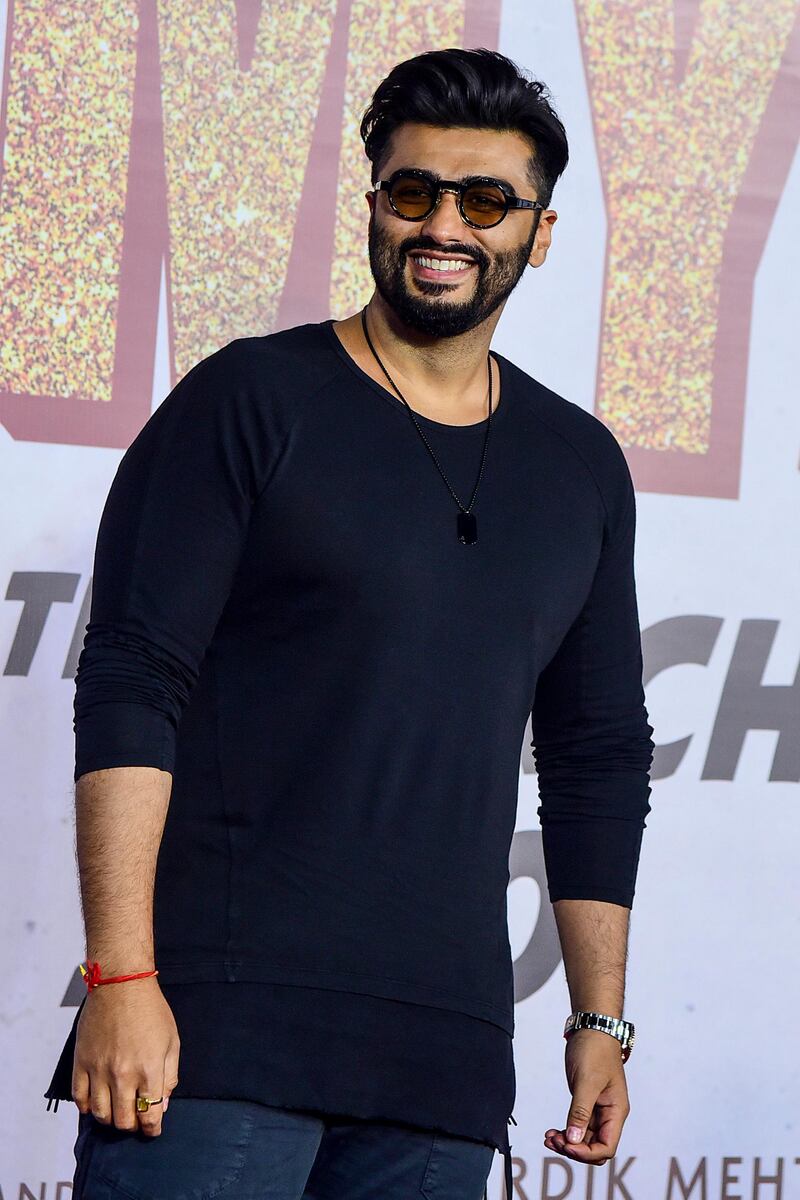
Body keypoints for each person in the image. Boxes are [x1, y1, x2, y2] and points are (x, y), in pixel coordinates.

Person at [44, 46, 654, 1200]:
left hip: (442, 1066)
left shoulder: (578, 467)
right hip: (214, 1042)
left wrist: (597, 1019)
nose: (444, 226)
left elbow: (595, 757)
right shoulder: (248, 402)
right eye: (412, 192)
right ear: (372, 204)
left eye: (485, 201)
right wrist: (120, 978)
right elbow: (133, 676)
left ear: (540, 230)